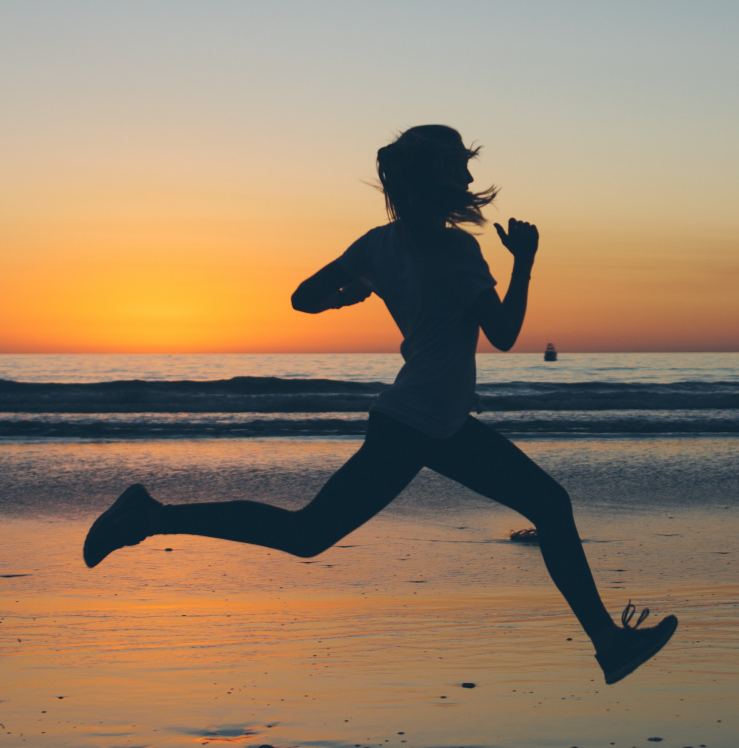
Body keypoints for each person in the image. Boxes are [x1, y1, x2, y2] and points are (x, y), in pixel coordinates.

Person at [83, 124, 677, 685]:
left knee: (543, 504)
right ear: (435, 179)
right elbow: (503, 334)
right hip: (418, 425)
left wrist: (358, 292)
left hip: (434, 422)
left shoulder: (378, 245)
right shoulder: (459, 252)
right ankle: (150, 516)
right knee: (310, 534)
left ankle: (608, 643)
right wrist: (525, 261)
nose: (469, 184)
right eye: (459, 171)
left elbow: (303, 298)